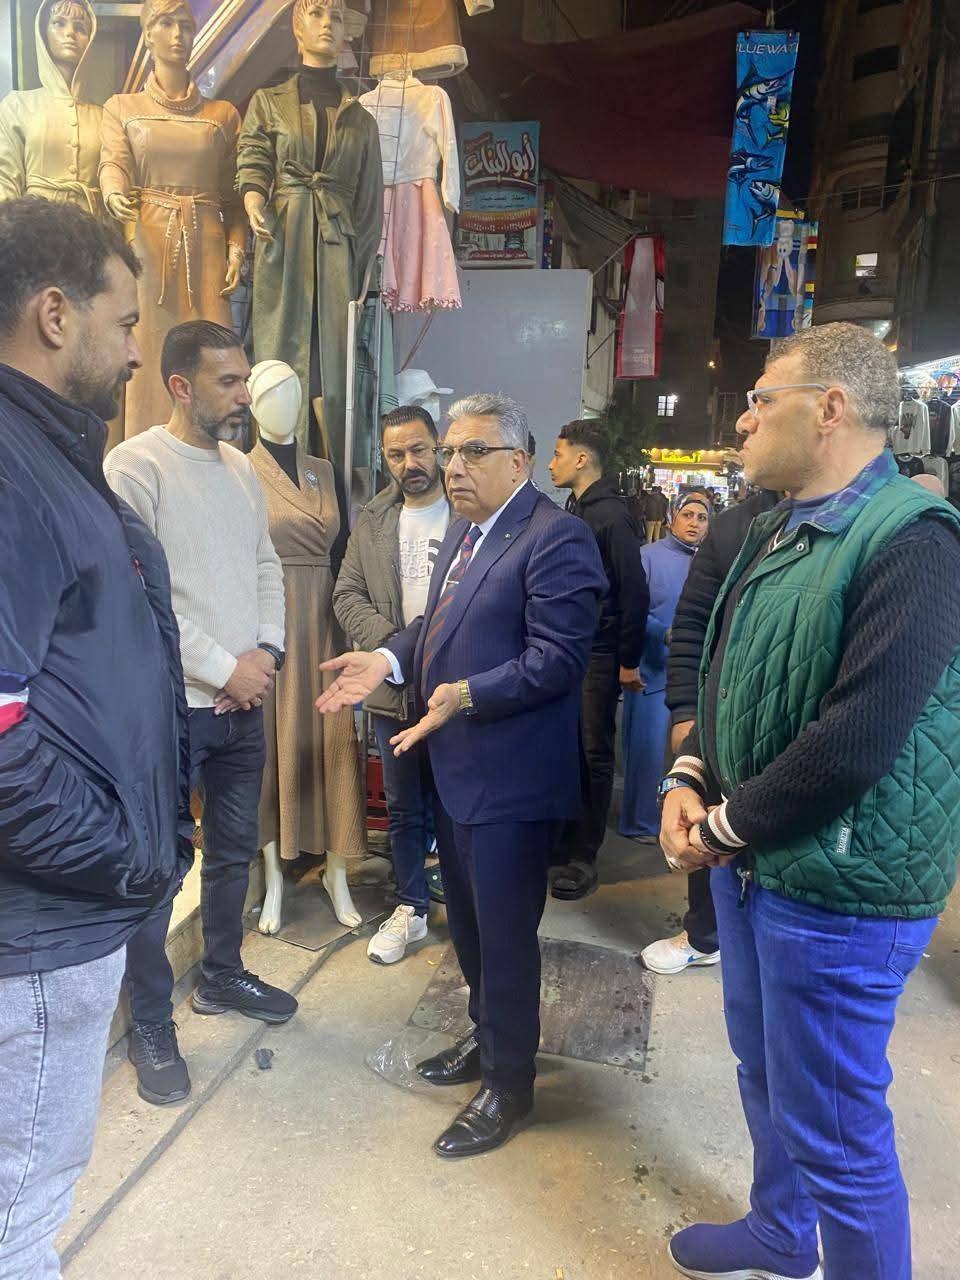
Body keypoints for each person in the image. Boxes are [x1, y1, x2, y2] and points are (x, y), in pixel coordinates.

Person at [660, 323, 960, 1280]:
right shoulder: (777, 526)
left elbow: (858, 738)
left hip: (841, 886)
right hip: (763, 866)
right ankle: (783, 1232)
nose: (743, 421)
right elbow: (728, 677)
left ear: (830, 407)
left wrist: (722, 828)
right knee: (765, 1072)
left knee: (835, 1130)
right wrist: (689, 775)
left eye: (761, 399)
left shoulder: (914, 538)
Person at [318, 393, 605, 1157]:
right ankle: (488, 1038)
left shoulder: (557, 537)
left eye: (473, 451)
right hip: (456, 770)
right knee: (472, 931)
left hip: (511, 780)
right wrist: (386, 658)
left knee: (505, 938)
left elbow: (558, 659)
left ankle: (510, 1084)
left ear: (519, 461)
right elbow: (433, 626)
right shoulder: (467, 532)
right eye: (448, 451)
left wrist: (466, 695)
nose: (452, 466)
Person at [0, 198, 191, 1275]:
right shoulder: (10, 469)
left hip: (57, 913)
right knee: (17, 1222)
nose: (132, 354)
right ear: (55, 314)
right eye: (124, 324)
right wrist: (124, 854)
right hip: (38, 927)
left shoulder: (51, 457)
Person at [104, 320, 294, 1108]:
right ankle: (151, 1023)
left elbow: (264, 563)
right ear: (180, 386)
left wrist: (267, 653)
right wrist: (227, 668)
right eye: (228, 381)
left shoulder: (241, 470)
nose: (244, 395)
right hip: (171, 709)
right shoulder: (134, 466)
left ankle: (221, 974)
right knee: (158, 870)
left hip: (242, 705)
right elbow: (143, 594)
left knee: (234, 851)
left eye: (245, 378)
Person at [643, 484, 780, 975]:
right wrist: (687, 718)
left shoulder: (885, 526)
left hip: (802, 763)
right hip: (719, 726)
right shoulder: (736, 527)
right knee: (701, 826)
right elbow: (694, 624)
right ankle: (706, 934)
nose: (745, 433)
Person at [333, 404, 450, 963]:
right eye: (396, 454)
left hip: (458, 685)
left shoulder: (467, 510)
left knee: (457, 802)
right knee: (403, 806)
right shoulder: (374, 520)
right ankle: (411, 908)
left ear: (438, 446)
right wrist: (393, 646)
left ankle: (468, 901)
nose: (409, 464)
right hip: (394, 688)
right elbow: (346, 595)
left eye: (418, 449)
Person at [548, 419, 649, 898]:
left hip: (600, 652)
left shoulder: (610, 515)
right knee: (566, 748)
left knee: (593, 752)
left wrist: (628, 659)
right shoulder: (577, 508)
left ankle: (584, 855)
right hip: (571, 648)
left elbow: (634, 591)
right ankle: (563, 841)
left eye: (558, 454)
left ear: (581, 458)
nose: (552, 463)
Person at [620, 494, 709, 856]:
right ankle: (638, 820)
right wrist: (662, 632)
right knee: (646, 751)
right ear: (672, 517)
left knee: (689, 751)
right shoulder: (648, 557)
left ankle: (681, 817)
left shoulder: (712, 561)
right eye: (687, 514)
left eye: (702, 517)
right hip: (652, 670)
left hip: (696, 672)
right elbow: (631, 610)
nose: (694, 522)